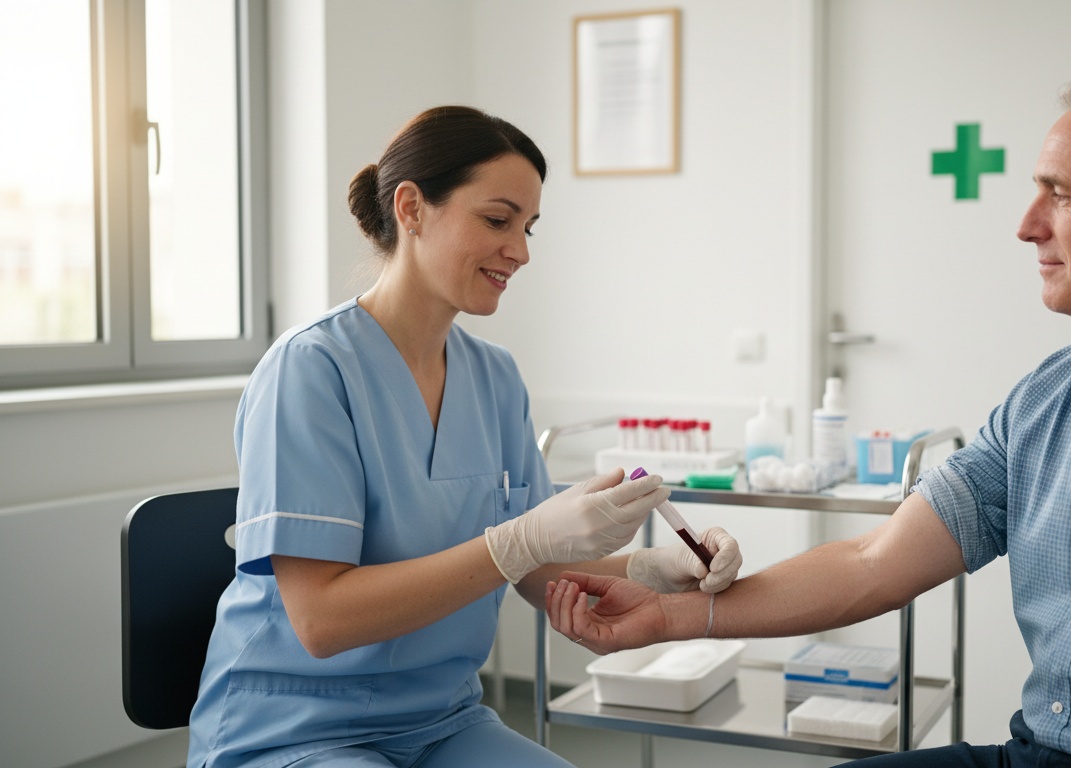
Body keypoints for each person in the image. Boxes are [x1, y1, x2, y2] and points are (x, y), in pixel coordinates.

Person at [546, 71, 1071, 767]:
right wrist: (674, 615)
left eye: (1058, 194)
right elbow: (873, 561)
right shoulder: (1050, 397)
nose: (1027, 224)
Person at [187, 106, 744, 768]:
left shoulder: (495, 378)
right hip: (296, 727)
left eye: (529, 227)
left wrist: (657, 569)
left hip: (442, 723)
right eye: (498, 219)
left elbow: (536, 568)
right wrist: (521, 539)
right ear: (412, 208)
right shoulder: (311, 371)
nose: (522, 250)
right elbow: (321, 622)